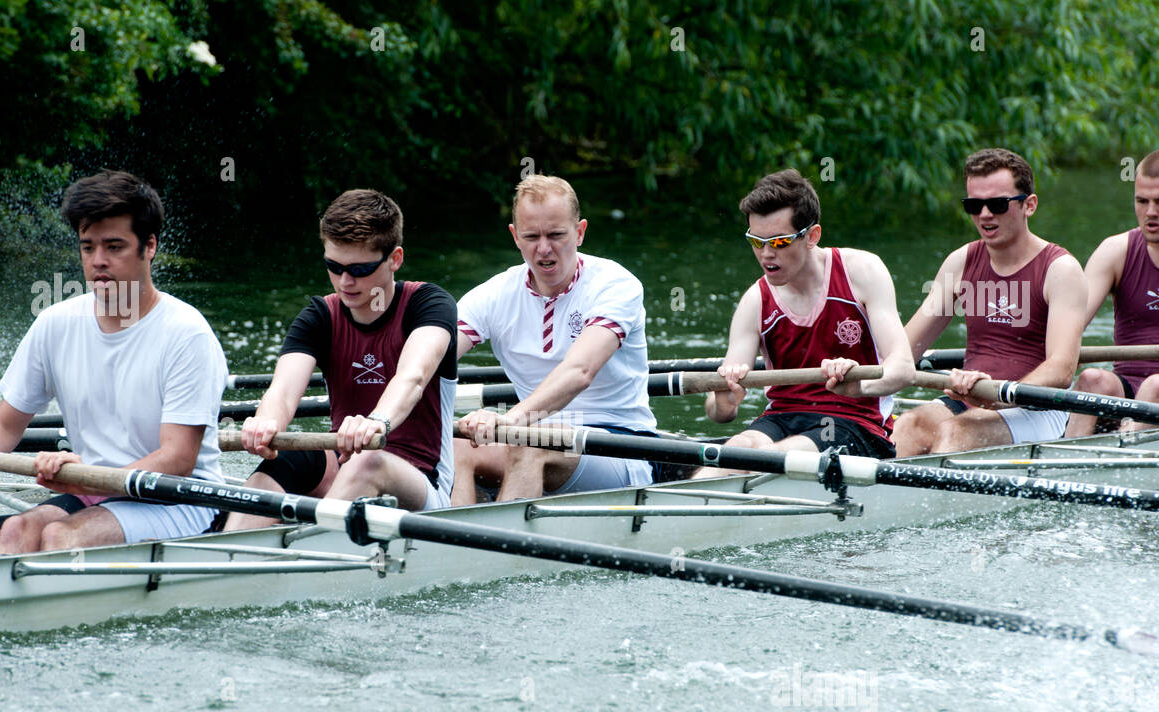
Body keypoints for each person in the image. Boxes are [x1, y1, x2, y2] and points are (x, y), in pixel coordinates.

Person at [0, 170, 228, 554]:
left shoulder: (187, 333)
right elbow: (4, 427)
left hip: (177, 498)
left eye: (114, 247)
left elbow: (177, 458)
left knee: (60, 537)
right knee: (16, 530)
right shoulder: (55, 323)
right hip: (94, 489)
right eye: (87, 247)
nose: (98, 262)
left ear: (150, 247)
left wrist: (85, 481)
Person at [224, 189, 456, 529]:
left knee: (367, 460)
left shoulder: (430, 304)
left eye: (359, 269)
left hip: (421, 485)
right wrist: (265, 423)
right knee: (287, 458)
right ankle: (227, 558)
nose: (345, 282)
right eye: (334, 266)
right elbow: (283, 392)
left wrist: (377, 421)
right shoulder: (320, 316)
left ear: (395, 258)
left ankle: (308, 555)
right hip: (344, 468)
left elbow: (413, 377)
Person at [694, 169, 914, 476]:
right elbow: (720, 414)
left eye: (780, 242)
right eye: (756, 241)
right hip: (781, 417)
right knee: (735, 454)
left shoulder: (862, 271)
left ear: (812, 236)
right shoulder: (754, 301)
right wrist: (724, 400)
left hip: (855, 424)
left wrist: (857, 386)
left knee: (763, 460)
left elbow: (903, 369)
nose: (766, 254)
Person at [453, 174, 656, 503]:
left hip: (622, 448)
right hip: (531, 435)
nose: (543, 248)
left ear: (580, 232)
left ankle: (505, 548)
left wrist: (510, 420)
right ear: (515, 237)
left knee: (530, 440)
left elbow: (580, 371)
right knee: (460, 441)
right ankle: (451, 547)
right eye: (531, 236)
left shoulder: (615, 284)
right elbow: (433, 359)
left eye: (556, 235)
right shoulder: (493, 295)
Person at [892, 148, 1088, 456]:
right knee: (907, 425)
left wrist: (998, 395)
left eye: (997, 204)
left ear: (1029, 205)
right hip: (970, 398)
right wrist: (850, 365)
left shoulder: (1061, 270)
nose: (985, 214)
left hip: (1035, 408)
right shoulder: (960, 263)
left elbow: (1061, 369)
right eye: (974, 205)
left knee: (958, 432)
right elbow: (903, 348)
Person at [1064, 148, 1159, 436]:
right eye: (1142, 201)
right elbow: (1068, 329)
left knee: (1157, 386)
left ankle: (1126, 455)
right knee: (1092, 380)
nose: (1150, 212)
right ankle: (1064, 465)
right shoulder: (1115, 251)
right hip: (1127, 387)